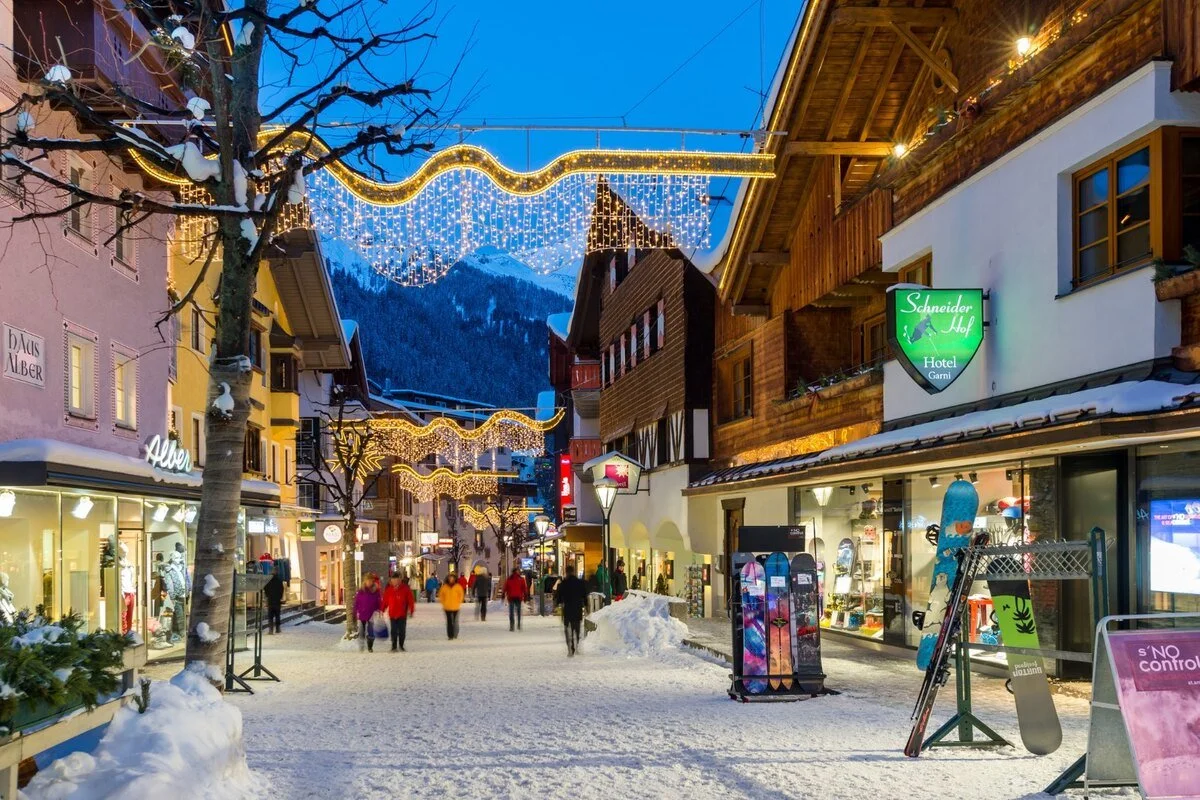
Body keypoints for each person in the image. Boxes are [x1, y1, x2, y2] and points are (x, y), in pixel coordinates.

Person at [555, 566, 587, 656]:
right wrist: (586, 605)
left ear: (566, 572)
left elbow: (559, 597)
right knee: (576, 628)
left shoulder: (563, 584)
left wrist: (558, 603)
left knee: (567, 629)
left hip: (567, 609)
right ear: (573, 571)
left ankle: (570, 645)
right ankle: (576, 642)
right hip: (577, 609)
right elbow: (584, 595)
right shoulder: (579, 583)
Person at [380, 573, 416, 652]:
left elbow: (410, 600)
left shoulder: (405, 589)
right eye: (394, 580)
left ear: (400, 580)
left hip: (402, 614)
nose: (395, 582)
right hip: (392, 614)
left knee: (402, 631)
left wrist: (411, 610)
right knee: (393, 631)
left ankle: (401, 645)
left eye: (397, 580)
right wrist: (382, 610)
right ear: (391, 581)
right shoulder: (389, 590)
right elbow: (385, 601)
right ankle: (394, 646)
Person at [354, 574, 382, 652]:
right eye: (367, 580)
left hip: (372, 613)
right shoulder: (361, 591)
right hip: (362, 613)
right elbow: (357, 602)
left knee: (371, 631)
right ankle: (361, 646)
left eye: (370, 580)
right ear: (365, 581)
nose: (369, 582)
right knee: (361, 631)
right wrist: (355, 611)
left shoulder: (376, 590)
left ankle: (370, 647)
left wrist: (379, 610)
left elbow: (379, 601)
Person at [438, 572, 465, 640]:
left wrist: (459, 601)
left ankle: (455, 634)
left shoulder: (458, 587)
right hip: (447, 607)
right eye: (450, 578)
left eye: (452, 578)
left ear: (455, 579)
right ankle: (450, 635)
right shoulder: (444, 587)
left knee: (455, 621)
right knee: (449, 621)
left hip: (456, 606)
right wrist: (443, 602)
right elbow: (441, 595)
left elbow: (461, 595)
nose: (451, 579)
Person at [503, 566, 528, 632]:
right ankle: (519, 624)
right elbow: (524, 589)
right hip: (518, 597)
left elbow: (505, 587)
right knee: (518, 611)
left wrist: (503, 594)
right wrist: (525, 596)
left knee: (511, 612)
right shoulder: (521, 579)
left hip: (511, 597)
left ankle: (512, 625)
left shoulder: (509, 579)